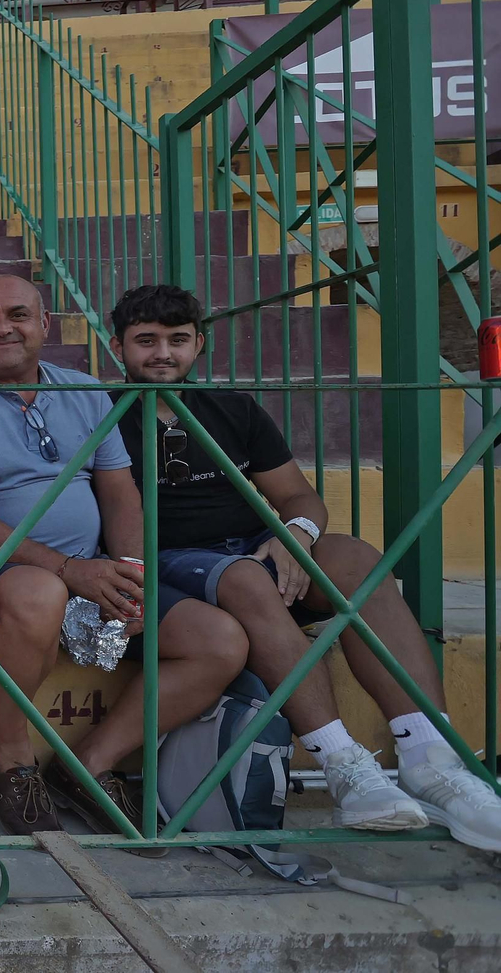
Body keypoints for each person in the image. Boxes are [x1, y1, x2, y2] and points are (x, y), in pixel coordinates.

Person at [108, 283, 501, 850]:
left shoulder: (235, 409)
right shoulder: (101, 411)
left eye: (177, 339)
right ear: (119, 346)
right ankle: (343, 765)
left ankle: (428, 758)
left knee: (352, 557)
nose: (162, 354)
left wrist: (296, 536)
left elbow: (298, 496)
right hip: (173, 563)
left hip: (249, 548)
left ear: (201, 343)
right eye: (146, 341)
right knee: (245, 576)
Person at [0, 274, 247, 841]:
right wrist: (70, 571)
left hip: (94, 570)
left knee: (221, 643)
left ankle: (88, 763)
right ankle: (9, 753)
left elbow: (120, 494)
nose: (3, 329)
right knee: (40, 593)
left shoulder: (86, 390)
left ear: (45, 325)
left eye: (17, 315)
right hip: (7, 572)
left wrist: (133, 575)